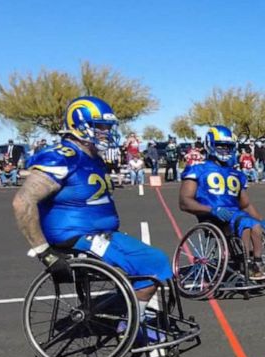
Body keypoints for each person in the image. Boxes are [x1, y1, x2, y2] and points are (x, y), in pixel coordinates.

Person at [12, 96, 173, 341]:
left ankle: (129, 317)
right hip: (76, 238)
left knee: (156, 263)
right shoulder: (61, 155)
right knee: (145, 266)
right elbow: (22, 201)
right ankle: (131, 327)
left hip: (100, 236)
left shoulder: (93, 157)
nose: (106, 132)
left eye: (107, 127)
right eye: (100, 126)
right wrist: (43, 251)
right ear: (80, 125)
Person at [178, 126, 265, 281]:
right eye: (220, 146)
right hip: (211, 215)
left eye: (228, 147)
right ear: (210, 145)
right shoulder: (197, 169)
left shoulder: (236, 174)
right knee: (245, 223)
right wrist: (211, 209)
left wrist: (261, 221)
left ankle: (257, 261)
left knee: (254, 224)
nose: (224, 150)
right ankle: (246, 262)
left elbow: (245, 204)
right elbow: (184, 201)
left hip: (235, 214)